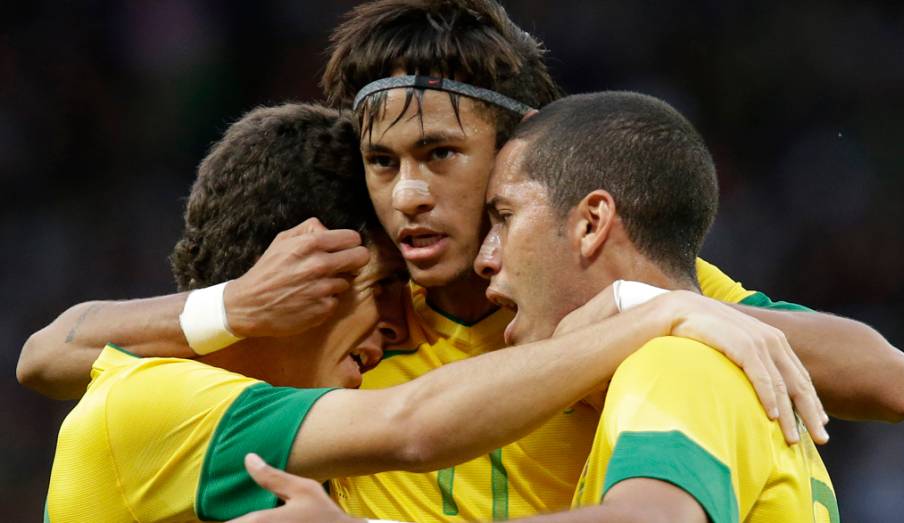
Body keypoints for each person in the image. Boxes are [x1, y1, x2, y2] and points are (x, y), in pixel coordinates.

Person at [18, 0, 904, 520]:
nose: (407, 194)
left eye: (440, 156)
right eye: (383, 163)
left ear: (517, 155)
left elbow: (886, 379)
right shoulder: (359, 319)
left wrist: (655, 312)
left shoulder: (616, 292)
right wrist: (233, 305)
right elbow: (55, 355)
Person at [42, 102, 794, 523]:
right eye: (381, 291)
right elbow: (414, 425)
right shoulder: (152, 408)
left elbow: (892, 378)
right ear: (297, 279)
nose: (399, 330)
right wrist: (645, 314)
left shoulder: (688, 352)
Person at [225, 91, 842, 523]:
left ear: (592, 222)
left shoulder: (681, 354)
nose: (487, 257)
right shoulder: (701, 343)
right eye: (382, 161)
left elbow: (646, 520)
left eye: (505, 217)